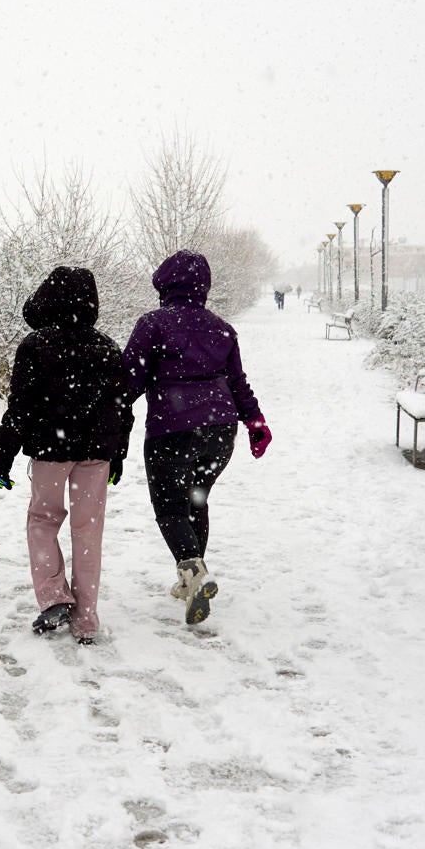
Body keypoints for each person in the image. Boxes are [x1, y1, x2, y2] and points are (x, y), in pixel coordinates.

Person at [122, 250, 270, 625]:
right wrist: (254, 422)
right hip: (220, 432)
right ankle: (191, 579)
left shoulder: (153, 324)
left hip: (172, 429)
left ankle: (193, 571)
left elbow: (128, 382)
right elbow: (238, 381)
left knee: (170, 506)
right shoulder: (222, 328)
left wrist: (103, 406)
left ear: (165, 284)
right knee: (195, 500)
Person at [0, 266, 133, 644]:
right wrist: (117, 453)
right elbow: (122, 407)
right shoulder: (107, 347)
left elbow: (20, 407)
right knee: (88, 530)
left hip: (50, 450)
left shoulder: (34, 346)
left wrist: (2, 455)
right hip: (95, 454)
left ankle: (53, 597)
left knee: (43, 519)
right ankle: (86, 618)